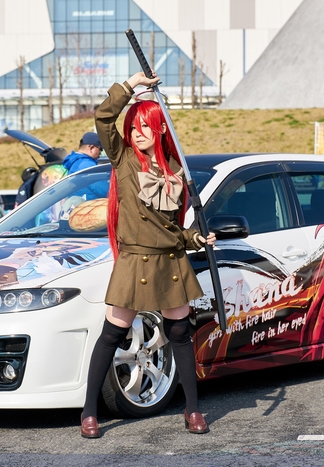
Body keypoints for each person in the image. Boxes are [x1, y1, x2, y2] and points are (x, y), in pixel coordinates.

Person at [80, 72, 216, 439]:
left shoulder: (176, 171)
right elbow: (103, 118)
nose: (138, 132)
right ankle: (89, 411)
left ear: (160, 129)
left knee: (180, 334)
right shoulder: (123, 159)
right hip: (135, 259)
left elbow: (171, 228)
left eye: (145, 125)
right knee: (112, 334)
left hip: (170, 260)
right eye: (134, 126)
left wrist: (195, 237)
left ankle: (192, 409)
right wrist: (131, 86)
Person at [62, 132, 109, 201]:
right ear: (91, 148)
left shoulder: (76, 162)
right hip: (90, 206)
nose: (100, 153)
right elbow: (105, 191)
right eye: (100, 149)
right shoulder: (86, 165)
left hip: (80, 205)